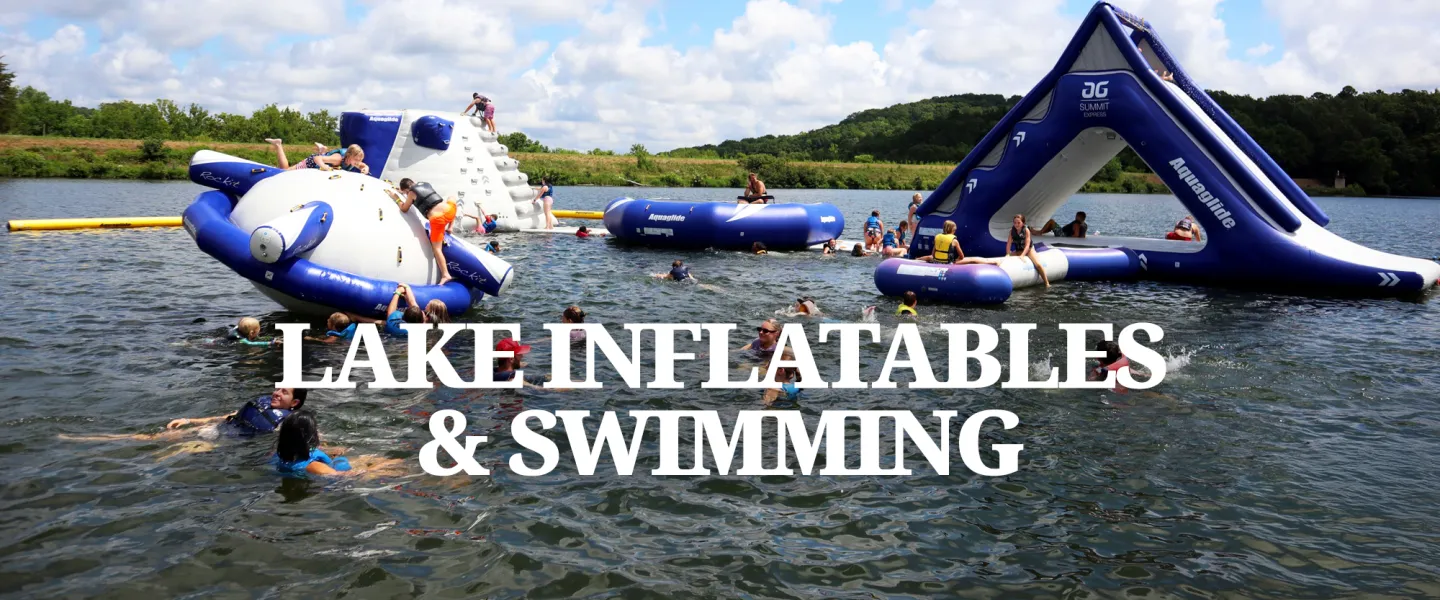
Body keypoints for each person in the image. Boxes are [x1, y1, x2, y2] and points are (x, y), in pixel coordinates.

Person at [62, 388, 309, 443]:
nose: (276, 393)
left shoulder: (290, 421)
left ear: (294, 402)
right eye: (277, 388)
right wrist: (190, 420)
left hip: (220, 443)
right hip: (219, 429)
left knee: (174, 452)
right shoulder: (263, 403)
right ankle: (85, 439)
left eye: (283, 392)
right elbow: (227, 416)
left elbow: (309, 441)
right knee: (148, 438)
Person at [272, 409, 403, 478]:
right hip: (342, 474)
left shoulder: (280, 454)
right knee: (394, 463)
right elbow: (344, 477)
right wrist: (373, 469)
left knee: (370, 458)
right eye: (314, 429)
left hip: (332, 464)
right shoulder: (314, 466)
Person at [387, 179, 458, 285]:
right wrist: (403, 191)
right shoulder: (424, 184)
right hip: (450, 212)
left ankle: (445, 275)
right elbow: (420, 193)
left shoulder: (411, 193)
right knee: (451, 198)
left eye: (405, 193)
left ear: (407, 190)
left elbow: (404, 208)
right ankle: (451, 227)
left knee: (437, 248)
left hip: (438, 220)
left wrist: (396, 197)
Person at [264, 139, 367, 173]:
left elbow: (363, 166)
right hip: (311, 163)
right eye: (356, 160)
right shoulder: (338, 159)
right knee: (284, 171)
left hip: (321, 162)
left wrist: (365, 169)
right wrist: (325, 167)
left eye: (359, 160)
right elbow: (316, 159)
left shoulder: (352, 161)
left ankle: (322, 150)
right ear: (349, 156)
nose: (357, 163)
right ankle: (278, 144)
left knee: (324, 157)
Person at [1006, 214, 1052, 287]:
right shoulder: (1012, 231)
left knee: (1038, 264)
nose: (1016, 224)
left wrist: (1022, 256)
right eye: (1015, 223)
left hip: (1029, 250)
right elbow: (1009, 243)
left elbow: (1027, 245)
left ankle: (1046, 283)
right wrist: (1008, 254)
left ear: (1023, 223)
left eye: (1018, 223)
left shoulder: (1026, 230)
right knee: (1006, 258)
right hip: (1018, 250)